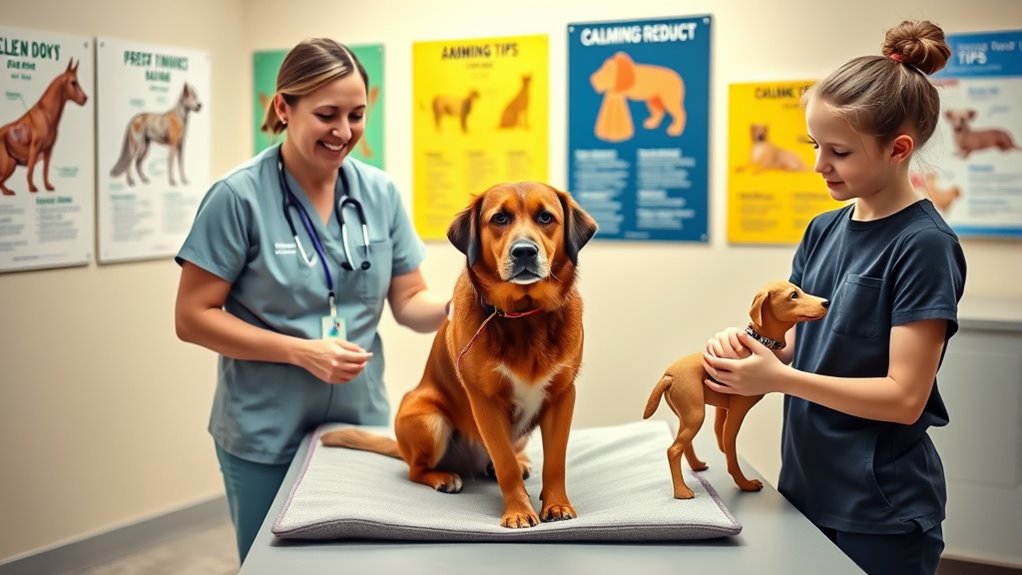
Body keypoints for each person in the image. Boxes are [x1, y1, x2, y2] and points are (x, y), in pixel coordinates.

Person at [701, 21, 966, 575]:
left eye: (839, 152)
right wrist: (756, 349)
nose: (819, 165)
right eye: (814, 145)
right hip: (806, 485)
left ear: (898, 150)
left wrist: (778, 380)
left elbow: (903, 398)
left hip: (879, 509)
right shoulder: (823, 229)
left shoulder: (924, 246)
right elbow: (798, 342)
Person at [174, 38, 448, 564]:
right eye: (327, 114)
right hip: (262, 430)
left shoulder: (380, 194)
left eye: (357, 114)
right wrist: (300, 351)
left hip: (360, 420)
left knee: (359, 560)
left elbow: (410, 298)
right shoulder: (237, 198)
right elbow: (192, 318)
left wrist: (455, 309)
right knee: (274, 562)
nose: (344, 132)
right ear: (283, 107)